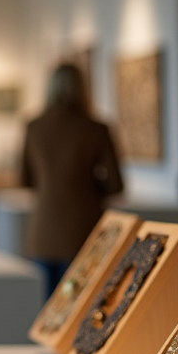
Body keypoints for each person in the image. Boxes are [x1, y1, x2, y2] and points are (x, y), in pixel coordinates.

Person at [22, 63, 124, 297]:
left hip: (44, 229)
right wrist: (87, 186)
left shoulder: (34, 127)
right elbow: (115, 184)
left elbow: (26, 179)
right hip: (83, 228)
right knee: (80, 304)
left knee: (47, 308)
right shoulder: (96, 128)